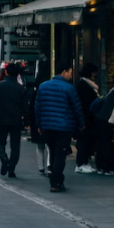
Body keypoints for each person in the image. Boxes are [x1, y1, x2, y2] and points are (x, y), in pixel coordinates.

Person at [34, 60, 84, 193]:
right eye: (70, 72)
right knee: (61, 154)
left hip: (47, 126)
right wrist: (81, 124)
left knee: (53, 151)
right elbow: (77, 109)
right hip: (64, 126)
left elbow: (37, 107)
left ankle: (54, 175)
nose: (71, 75)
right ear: (64, 72)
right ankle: (56, 182)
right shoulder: (69, 88)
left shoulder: (43, 86)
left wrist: (39, 124)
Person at [0, 62, 29, 177]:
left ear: (6, 72)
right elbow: (25, 107)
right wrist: (27, 122)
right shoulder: (21, 89)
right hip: (16, 120)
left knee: (0, 142)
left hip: (2, 118)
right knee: (15, 146)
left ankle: (4, 158)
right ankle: (11, 167)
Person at [74, 63, 101, 174]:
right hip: (85, 118)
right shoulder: (84, 85)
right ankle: (81, 163)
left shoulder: (86, 84)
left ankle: (84, 162)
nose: (95, 75)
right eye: (94, 72)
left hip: (87, 117)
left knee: (85, 140)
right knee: (84, 140)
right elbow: (85, 103)